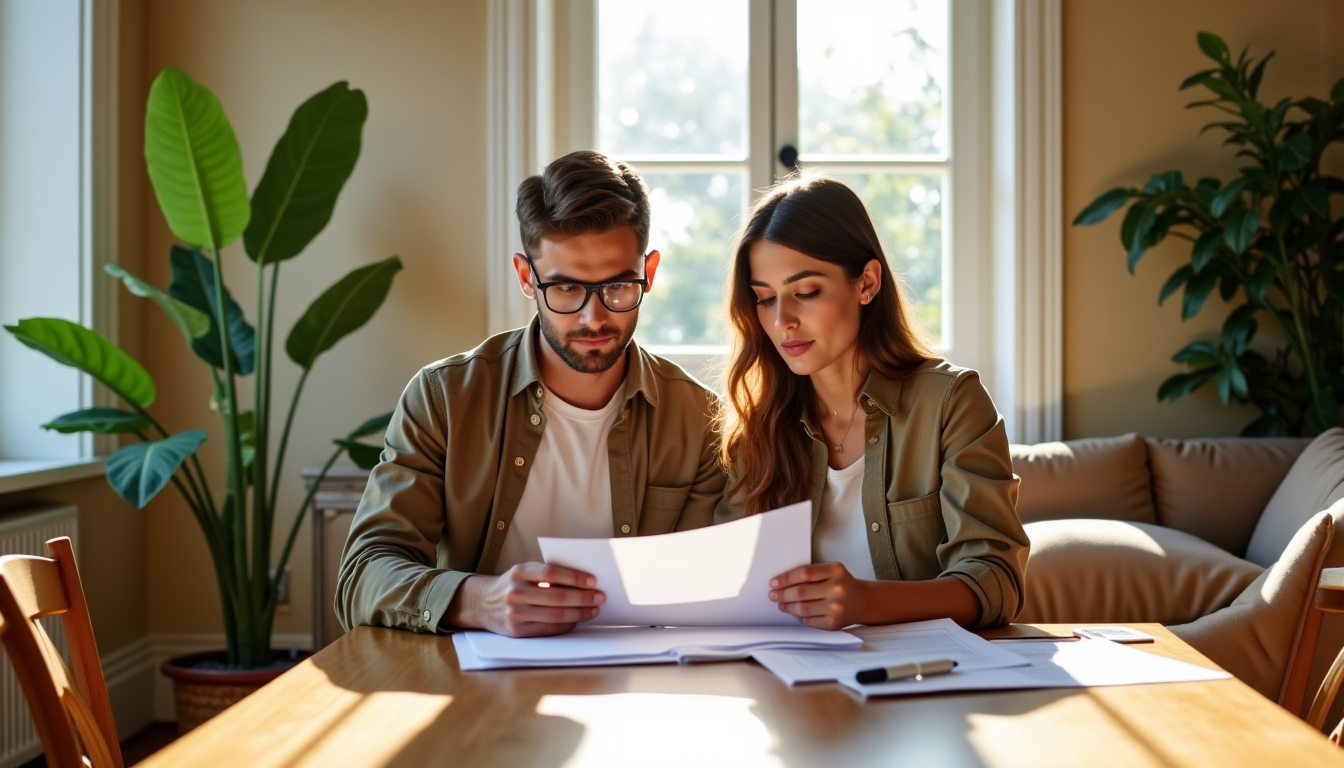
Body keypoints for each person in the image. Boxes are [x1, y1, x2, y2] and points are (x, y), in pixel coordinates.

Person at [337, 150, 725, 638]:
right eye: (565, 289)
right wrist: (479, 601)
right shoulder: (444, 399)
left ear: (647, 273)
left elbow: (710, 593)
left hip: (638, 684)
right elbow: (362, 574)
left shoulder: (701, 419)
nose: (593, 317)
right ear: (527, 278)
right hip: (472, 683)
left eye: (619, 286)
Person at [715, 176, 1029, 630]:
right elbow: (729, 583)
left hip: (926, 681)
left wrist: (867, 603)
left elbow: (996, 580)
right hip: (794, 678)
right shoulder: (757, 424)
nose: (782, 320)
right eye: (765, 298)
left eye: (805, 293)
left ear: (866, 282)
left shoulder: (951, 404)